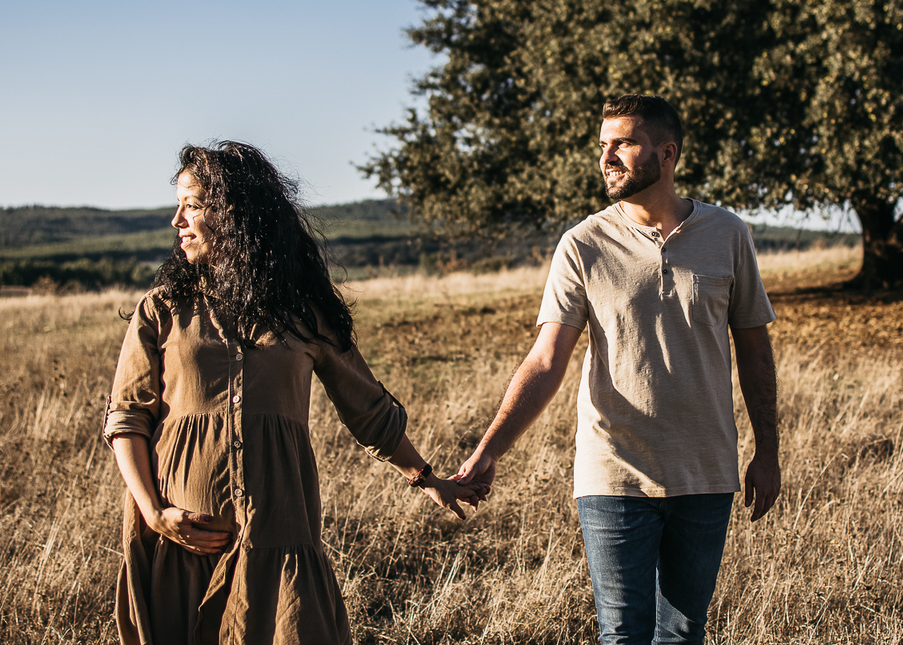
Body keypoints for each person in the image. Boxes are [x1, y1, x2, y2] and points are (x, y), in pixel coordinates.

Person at [103, 141, 477, 645]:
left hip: (278, 538)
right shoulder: (162, 309)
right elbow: (127, 419)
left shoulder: (303, 315)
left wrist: (428, 478)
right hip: (180, 539)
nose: (177, 220)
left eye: (192, 204)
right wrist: (155, 514)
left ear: (235, 212)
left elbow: (368, 410)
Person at [454, 95, 780, 645]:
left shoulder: (728, 235)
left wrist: (768, 451)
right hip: (614, 473)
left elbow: (754, 350)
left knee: (681, 632)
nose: (607, 157)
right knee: (623, 634)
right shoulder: (582, 244)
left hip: (705, 471)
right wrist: (489, 449)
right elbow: (546, 359)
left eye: (623, 143)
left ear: (667, 153)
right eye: (602, 145)